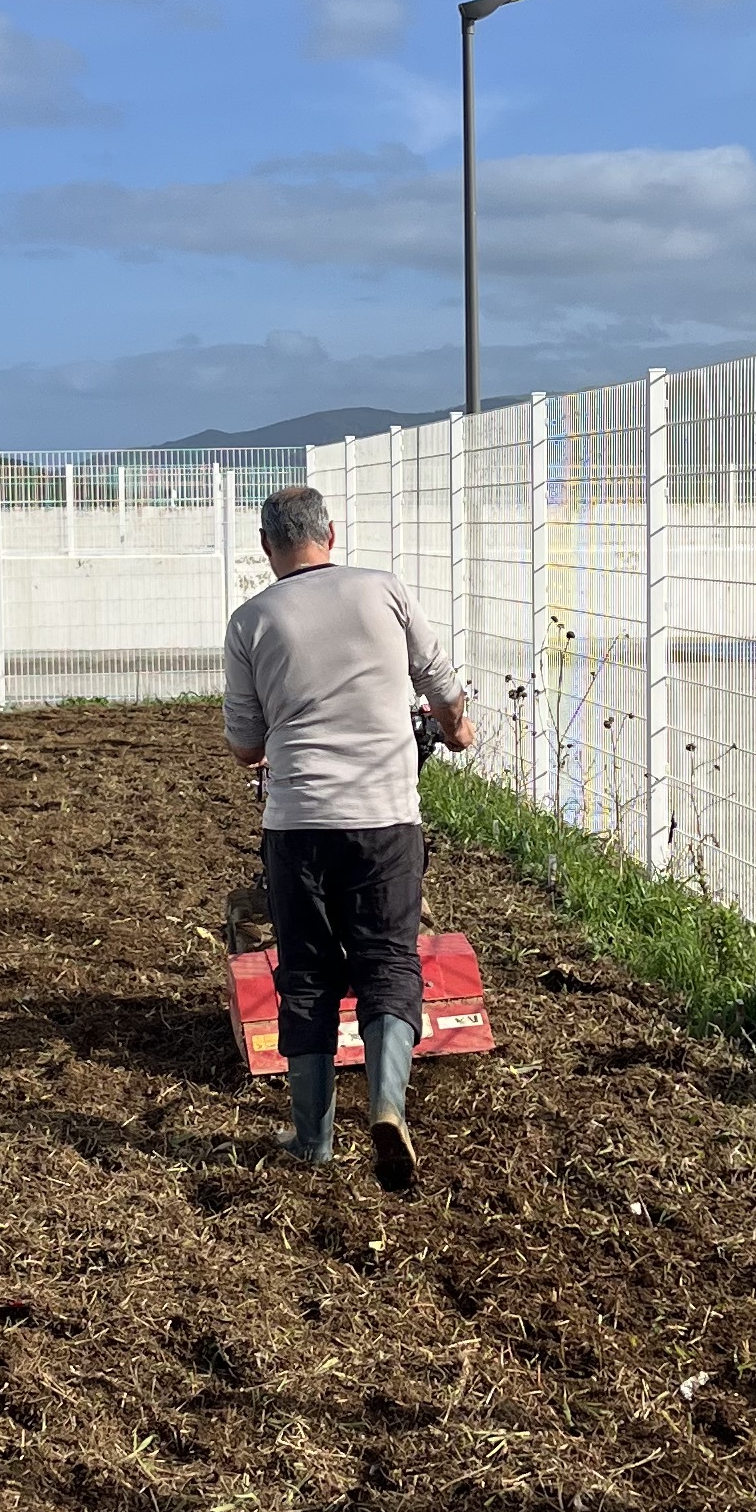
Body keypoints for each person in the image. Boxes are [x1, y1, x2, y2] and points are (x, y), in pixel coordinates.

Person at [222, 483, 474, 1191]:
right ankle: (387, 1105)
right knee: (389, 960)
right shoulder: (384, 592)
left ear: (268, 548)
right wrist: (455, 731)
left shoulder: (251, 620)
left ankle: (312, 1139)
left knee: (307, 973)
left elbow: (245, 744)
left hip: (298, 824)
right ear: (330, 535)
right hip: (386, 817)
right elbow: (442, 686)